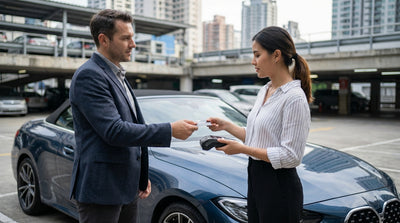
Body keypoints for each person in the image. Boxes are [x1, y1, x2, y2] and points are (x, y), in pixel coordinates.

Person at [69, 9, 198, 223]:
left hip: (126, 186)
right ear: (104, 40)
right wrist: (170, 130)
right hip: (102, 190)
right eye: (126, 38)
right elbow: (114, 131)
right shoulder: (89, 75)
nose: (133, 44)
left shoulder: (116, 74)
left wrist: (140, 175)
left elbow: (134, 125)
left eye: (133, 37)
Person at [207, 26, 312, 223]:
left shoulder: (294, 98)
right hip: (256, 178)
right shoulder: (264, 90)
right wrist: (227, 126)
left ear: (276, 55)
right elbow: (259, 138)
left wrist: (242, 149)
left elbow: (291, 156)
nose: (253, 61)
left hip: (279, 185)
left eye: (257, 54)